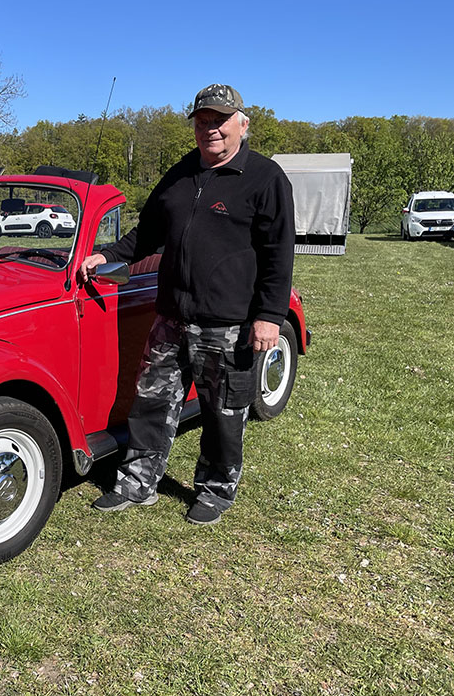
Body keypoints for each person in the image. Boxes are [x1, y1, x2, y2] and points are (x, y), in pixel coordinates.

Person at [82, 83, 295, 525]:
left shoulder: (266, 177)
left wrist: (270, 316)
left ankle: (216, 489)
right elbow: (149, 230)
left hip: (229, 322)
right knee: (151, 402)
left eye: (220, 120)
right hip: (171, 316)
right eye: (202, 121)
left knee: (223, 412)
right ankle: (138, 482)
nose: (210, 129)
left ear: (242, 124)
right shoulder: (180, 172)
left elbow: (279, 254)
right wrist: (110, 255)